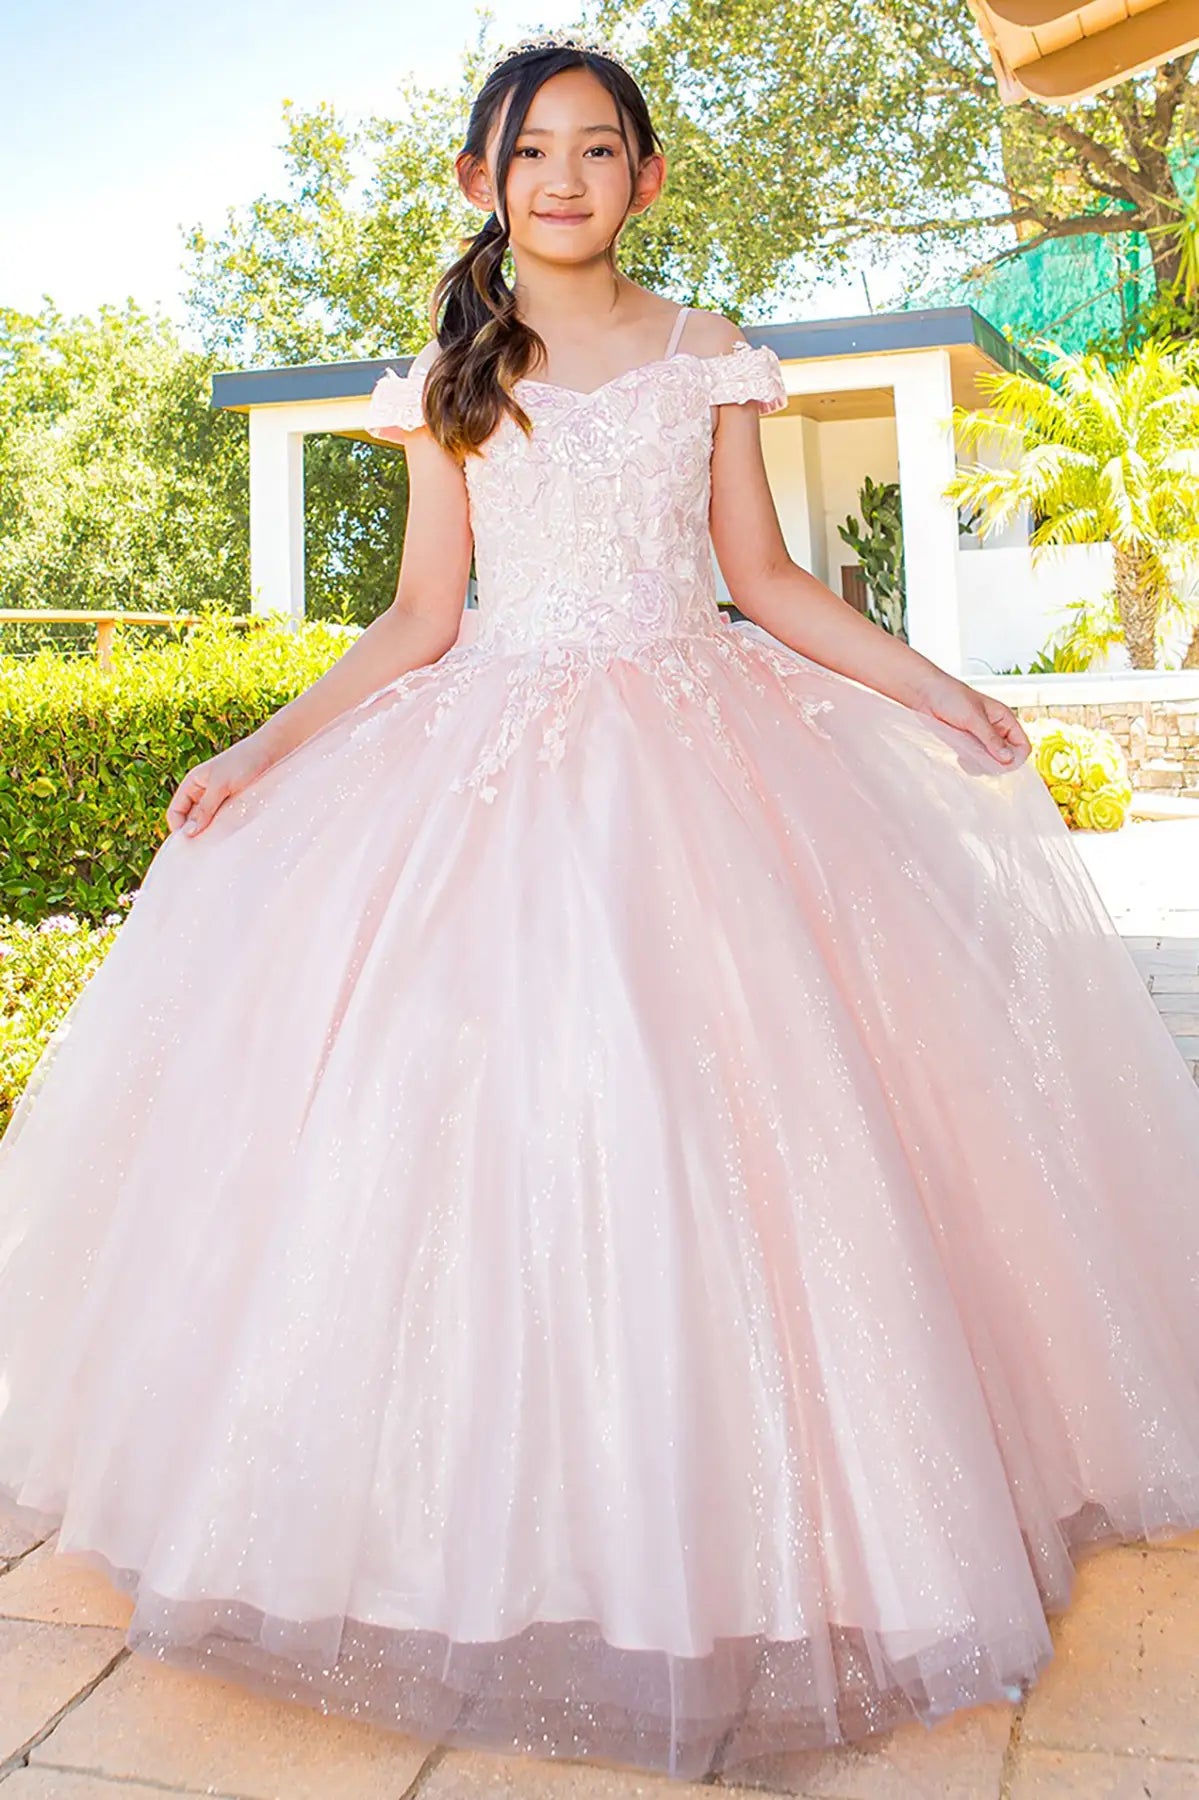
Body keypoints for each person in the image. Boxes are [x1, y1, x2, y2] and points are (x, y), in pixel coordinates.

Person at [2, 29, 1199, 1788]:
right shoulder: (453, 372)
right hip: (495, 753)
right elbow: (421, 616)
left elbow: (769, 580)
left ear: (644, 176)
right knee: (478, 1117)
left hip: (703, 749)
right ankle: (471, 1534)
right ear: (483, 183)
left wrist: (941, 693)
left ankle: (776, 1526)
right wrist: (260, 745)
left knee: (738, 1112)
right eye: (530, 151)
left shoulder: (710, 350)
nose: (564, 177)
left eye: (598, 147)